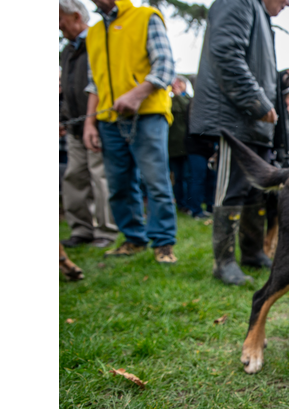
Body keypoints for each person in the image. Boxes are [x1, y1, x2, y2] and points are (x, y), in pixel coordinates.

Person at [188, 0, 289, 285]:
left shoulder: (258, 13)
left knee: (253, 190)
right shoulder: (238, 2)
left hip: (253, 124)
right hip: (233, 119)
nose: (288, 3)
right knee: (231, 190)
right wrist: (256, 100)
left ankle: (253, 252)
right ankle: (223, 262)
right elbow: (225, 52)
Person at [82, 0, 178, 264]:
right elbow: (94, 82)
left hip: (147, 115)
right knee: (118, 185)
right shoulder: (94, 31)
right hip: (108, 119)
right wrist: (89, 123)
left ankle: (164, 242)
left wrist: (137, 95)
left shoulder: (146, 17)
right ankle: (134, 239)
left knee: (155, 181)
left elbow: (165, 67)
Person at [59, 0, 118, 249]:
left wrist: (90, 122)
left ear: (75, 16)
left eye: (59, 18)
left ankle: (106, 230)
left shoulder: (97, 39)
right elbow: (67, 88)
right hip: (73, 124)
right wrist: (63, 119)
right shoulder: (67, 50)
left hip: (94, 121)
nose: (57, 25)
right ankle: (81, 229)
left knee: (99, 175)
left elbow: (96, 84)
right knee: (74, 176)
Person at [168, 77, 192, 215]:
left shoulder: (188, 99)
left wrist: (178, 95)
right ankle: (180, 204)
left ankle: (188, 204)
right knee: (177, 178)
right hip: (172, 147)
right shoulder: (168, 100)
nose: (177, 85)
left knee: (187, 176)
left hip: (186, 146)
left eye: (180, 82)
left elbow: (187, 110)